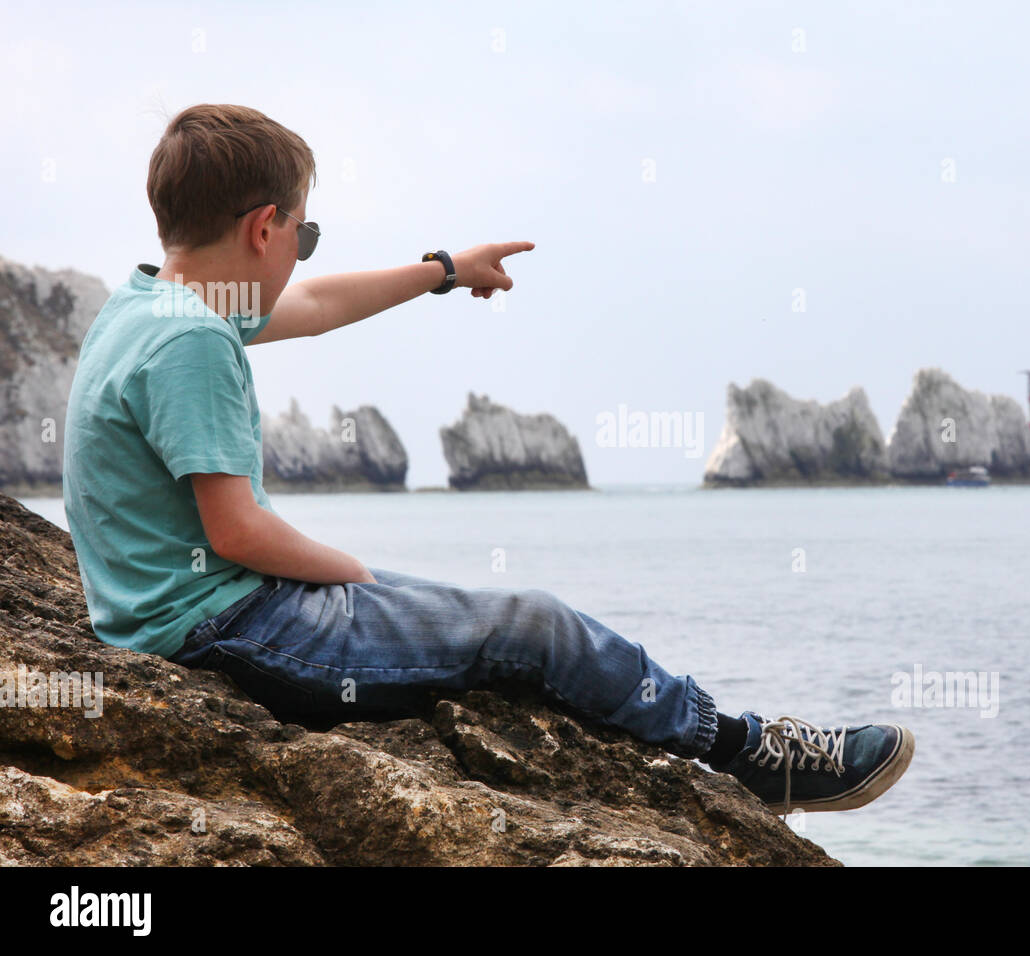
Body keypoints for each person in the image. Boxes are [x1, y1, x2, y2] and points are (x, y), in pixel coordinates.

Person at [62, 103, 914, 819]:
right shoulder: (195, 345)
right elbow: (238, 529)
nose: (302, 256)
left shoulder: (148, 306)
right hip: (224, 631)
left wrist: (442, 270)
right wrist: (353, 573)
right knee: (530, 624)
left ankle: (736, 739)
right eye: (304, 233)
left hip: (185, 613)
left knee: (471, 611)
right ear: (262, 228)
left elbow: (316, 307)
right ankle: (748, 752)